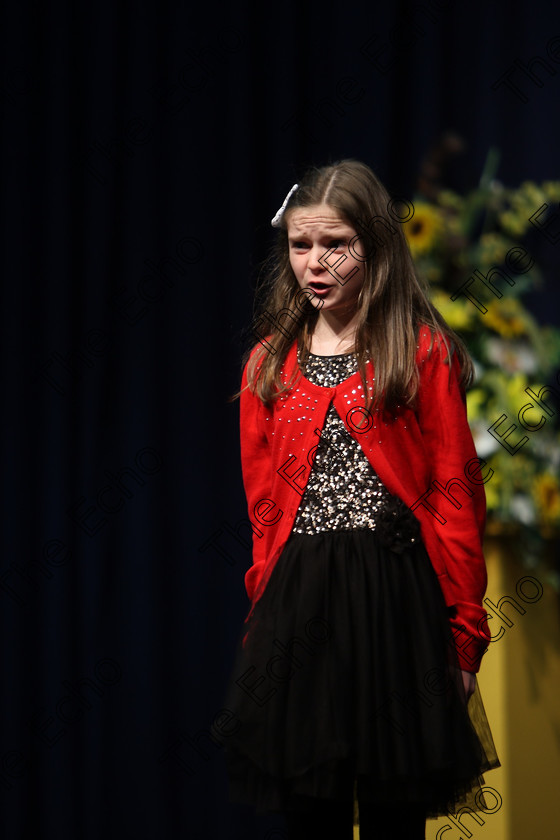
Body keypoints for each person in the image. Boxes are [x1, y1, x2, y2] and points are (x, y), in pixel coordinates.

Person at [219, 160, 500, 839]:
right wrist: (264, 612)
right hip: (301, 607)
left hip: (394, 603)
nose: (315, 263)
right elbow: (264, 510)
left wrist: (464, 640)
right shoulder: (269, 363)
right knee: (308, 808)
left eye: (335, 244)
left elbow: (457, 498)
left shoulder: (417, 352)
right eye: (300, 245)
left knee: (392, 808)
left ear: (373, 245)